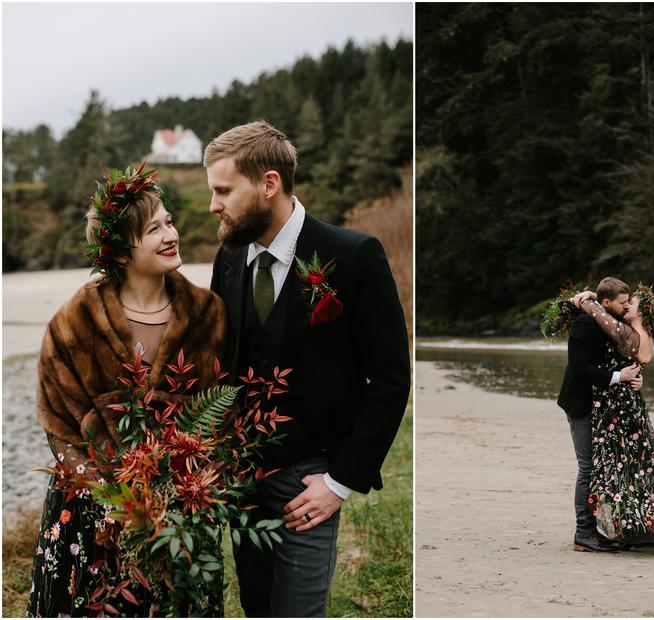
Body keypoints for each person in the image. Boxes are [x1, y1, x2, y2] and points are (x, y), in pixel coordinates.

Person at [205, 121, 410, 617]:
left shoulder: (354, 255)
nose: (214, 205)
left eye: (224, 191)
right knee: (256, 607)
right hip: (242, 478)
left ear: (268, 184)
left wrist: (339, 481)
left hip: (309, 483)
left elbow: (389, 378)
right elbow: (221, 367)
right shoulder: (228, 260)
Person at [27, 163, 228, 616]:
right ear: (119, 252)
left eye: (169, 221)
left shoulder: (208, 314)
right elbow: (57, 425)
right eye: (153, 229)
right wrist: (113, 497)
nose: (170, 234)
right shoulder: (74, 322)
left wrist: (184, 488)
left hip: (180, 514)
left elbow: (222, 412)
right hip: (91, 513)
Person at [571, 284, 654, 554]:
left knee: (625, 469)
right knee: (634, 470)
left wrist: (587, 302)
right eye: (625, 302)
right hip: (623, 406)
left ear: (643, 311)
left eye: (632, 304)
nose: (626, 306)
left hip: (622, 409)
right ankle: (627, 528)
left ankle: (620, 529)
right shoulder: (642, 333)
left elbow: (607, 323)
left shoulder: (630, 333)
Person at [557, 277, 643, 552]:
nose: (627, 305)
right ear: (606, 303)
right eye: (622, 303)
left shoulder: (613, 326)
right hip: (581, 403)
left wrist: (634, 379)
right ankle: (583, 534)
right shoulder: (584, 324)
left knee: (602, 468)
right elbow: (580, 368)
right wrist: (619, 377)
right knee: (588, 467)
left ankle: (601, 528)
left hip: (604, 406)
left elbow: (625, 358)